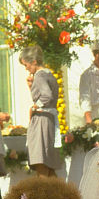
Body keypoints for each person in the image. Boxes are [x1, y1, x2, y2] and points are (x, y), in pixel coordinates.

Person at [19, 45, 62, 176]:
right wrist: (31, 87)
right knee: (48, 164)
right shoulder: (49, 74)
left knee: (41, 161)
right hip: (48, 119)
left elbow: (46, 96)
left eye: (26, 65)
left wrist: (35, 106)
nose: (26, 69)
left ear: (34, 62)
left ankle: (43, 194)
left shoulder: (40, 76)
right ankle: (60, 194)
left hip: (41, 121)